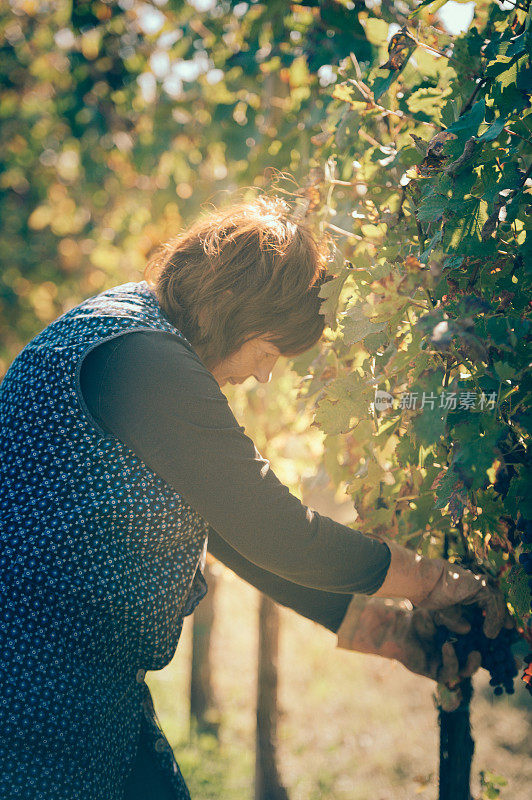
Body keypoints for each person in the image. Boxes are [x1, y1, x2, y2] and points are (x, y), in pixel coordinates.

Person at [0, 196, 510, 800]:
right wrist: (435, 583)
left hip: (68, 690)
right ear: (237, 313)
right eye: (269, 351)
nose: (265, 375)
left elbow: (229, 530)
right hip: (37, 707)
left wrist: (379, 629)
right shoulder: (145, 358)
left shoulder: (129, 327)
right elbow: (274, 530)